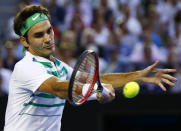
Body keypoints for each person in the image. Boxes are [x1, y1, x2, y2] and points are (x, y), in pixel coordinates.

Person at [4, 5, 177, 131]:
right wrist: (96, 92)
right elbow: (59, 88)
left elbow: (95, 80)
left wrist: (137, 76)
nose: (48, 38)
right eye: (38, 35)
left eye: (49, 31)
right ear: (24, 41)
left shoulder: (60, 67)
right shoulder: (25, 68)